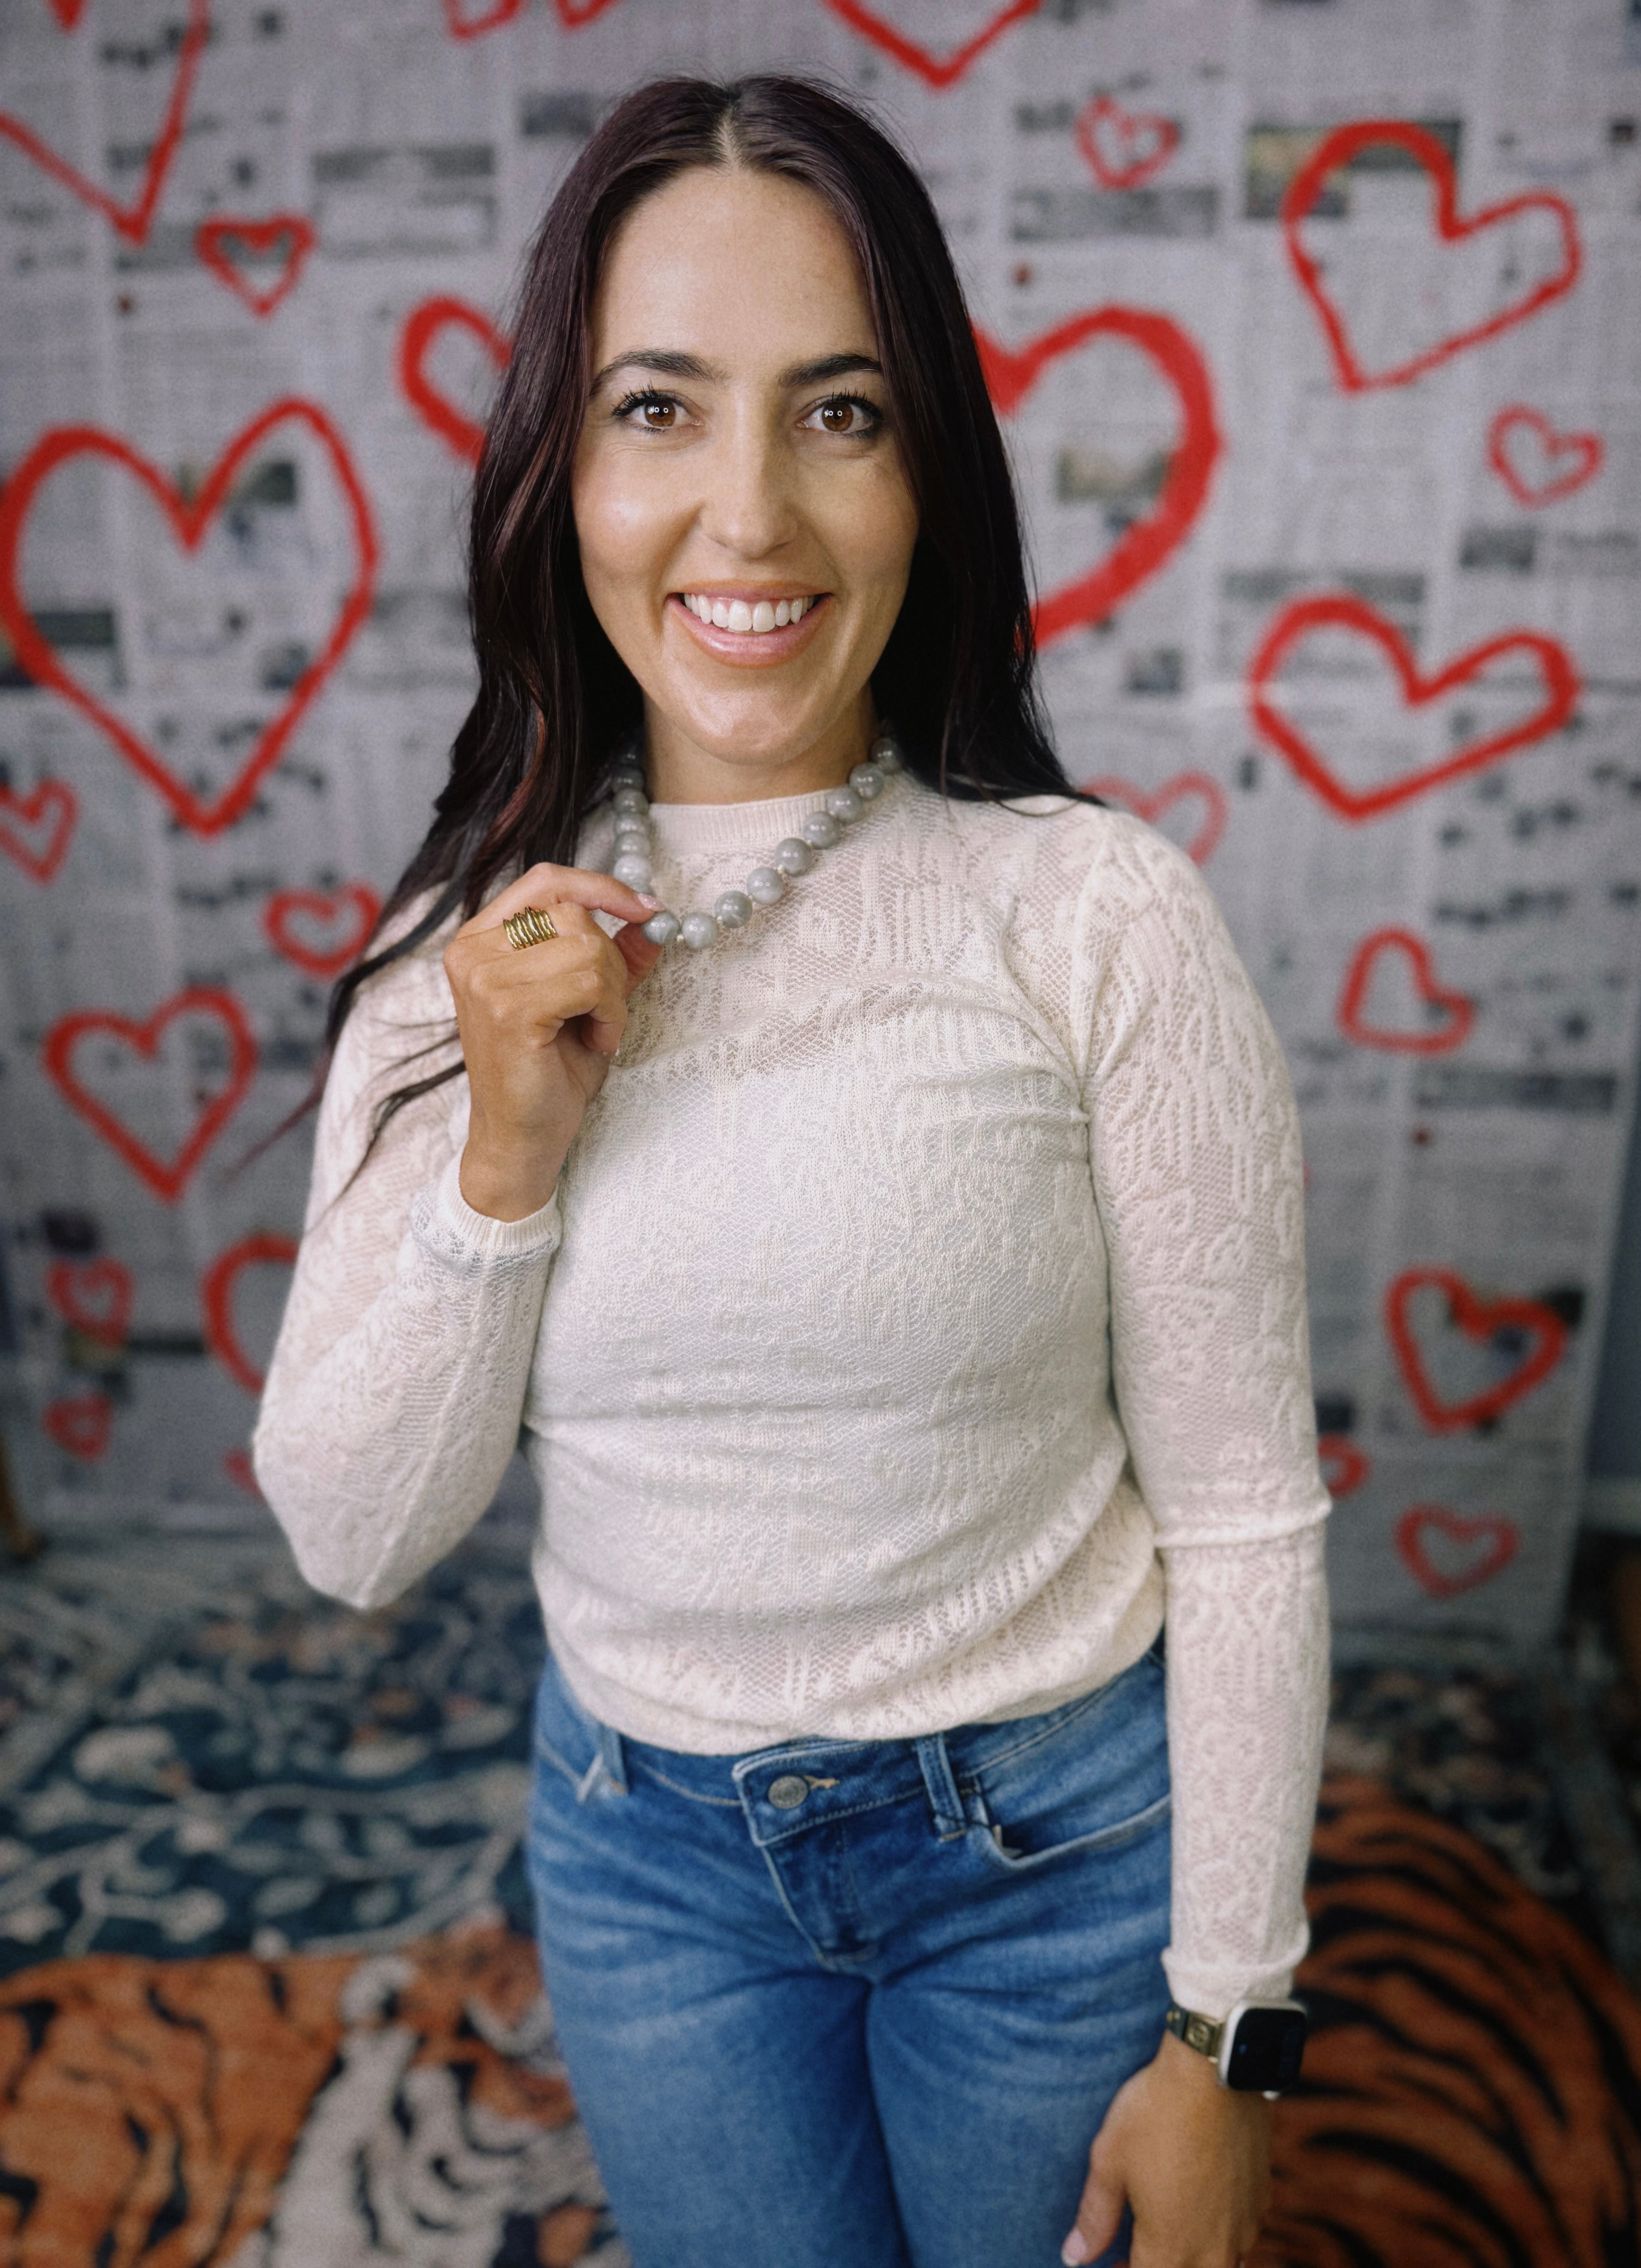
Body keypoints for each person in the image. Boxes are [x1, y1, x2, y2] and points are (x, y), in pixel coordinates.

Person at [255, 75, 1330, 2268]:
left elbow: (1241, 1517)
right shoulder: (467, 970)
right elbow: (351, 1540)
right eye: (657, 409)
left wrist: (1232, 2035)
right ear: (560, 471)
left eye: (840, 414)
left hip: (1052, 1858)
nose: (746, 515)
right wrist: (504, 1164)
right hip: (649, 1876)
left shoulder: (1092, 916)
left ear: (928, 471)